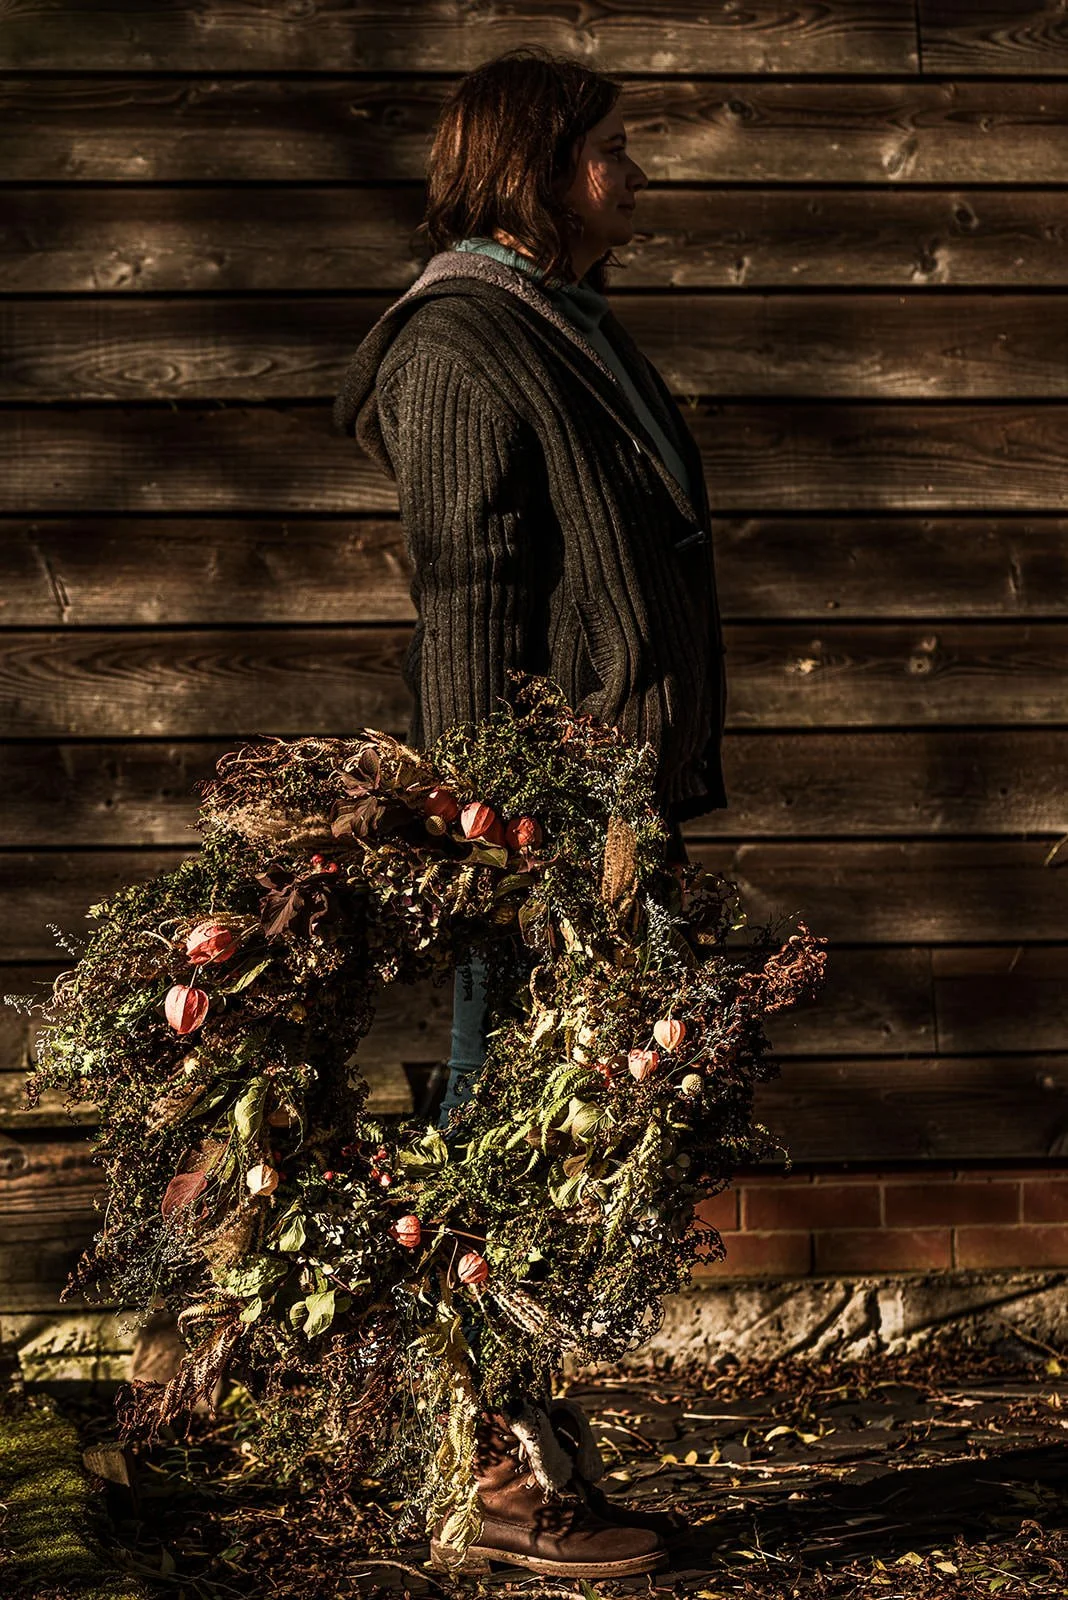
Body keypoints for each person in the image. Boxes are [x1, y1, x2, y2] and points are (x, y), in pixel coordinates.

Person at [333, 44, 727, 1579]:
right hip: (539, 832)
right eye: (614, 147)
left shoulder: (565, 323)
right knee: (502, 1141)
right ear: (536, 169)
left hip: (609, 815)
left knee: (569, 1139)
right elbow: (467, 611)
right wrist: (502, 833)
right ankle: (491, 1477)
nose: (639, 172)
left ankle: (523, 1455)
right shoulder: (459, 345)